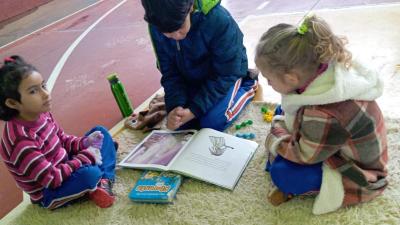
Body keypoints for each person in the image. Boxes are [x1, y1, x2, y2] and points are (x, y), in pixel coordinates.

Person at [255, 15, 388, 214]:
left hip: (359, 171)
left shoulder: (323, 114)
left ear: (291, 78)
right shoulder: (324, 69)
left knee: (283, 174)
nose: (267, 84)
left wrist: (276, 133)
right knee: (283, 110)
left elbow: (304, 156)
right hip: (332, 140)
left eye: (268, 79)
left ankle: (295, 186)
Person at [0, 56, 117, 209]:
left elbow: (63, 140)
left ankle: (104, 181)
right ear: (12, 103)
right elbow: (51, 179)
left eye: (43, 85)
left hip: (65, 165)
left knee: (100, 132)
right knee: (89, 175)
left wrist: (85, 143)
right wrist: (85, 157)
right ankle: (101, 175)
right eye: (33, 91)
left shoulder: (42, 113)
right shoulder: (20, 141)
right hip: (50, 190)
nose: (45, 94)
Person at [140, 0, 258, 131]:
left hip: (227, 76)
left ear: (190, 7)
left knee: (211, 124)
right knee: (180, 124)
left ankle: (247, 84)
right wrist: (175, 106)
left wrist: (194, 110)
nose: (176, 36)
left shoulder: (217, 19)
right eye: (167, 33)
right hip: (192, 79)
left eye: (179, 27)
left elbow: (227, 72)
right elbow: (170, 73)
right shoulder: (156, 25)